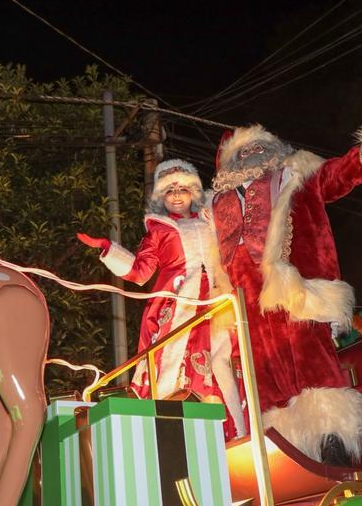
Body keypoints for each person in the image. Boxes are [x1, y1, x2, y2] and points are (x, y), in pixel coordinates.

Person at [211, 105, 362, 465]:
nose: (252, 154)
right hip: (248, 312)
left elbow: (339, 174)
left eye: (259, 146)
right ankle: (289, 457)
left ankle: (332, 443)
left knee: (315, 370)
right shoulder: (217, 204)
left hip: (297, 293)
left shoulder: (297, 174)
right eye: (243, 151)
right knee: (268, 385)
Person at [78, 159, 246, 439]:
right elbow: (140, 273)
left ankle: (231, 433)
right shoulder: (158, 231)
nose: (177, 194)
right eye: (170, 190)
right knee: (171, 365)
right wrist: (108, 249)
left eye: (183, 188)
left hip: (217, 305)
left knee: (223, 363)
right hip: (176, 306)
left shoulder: (210, 221)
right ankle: (169, 431)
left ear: (194, 191)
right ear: (161, 198)